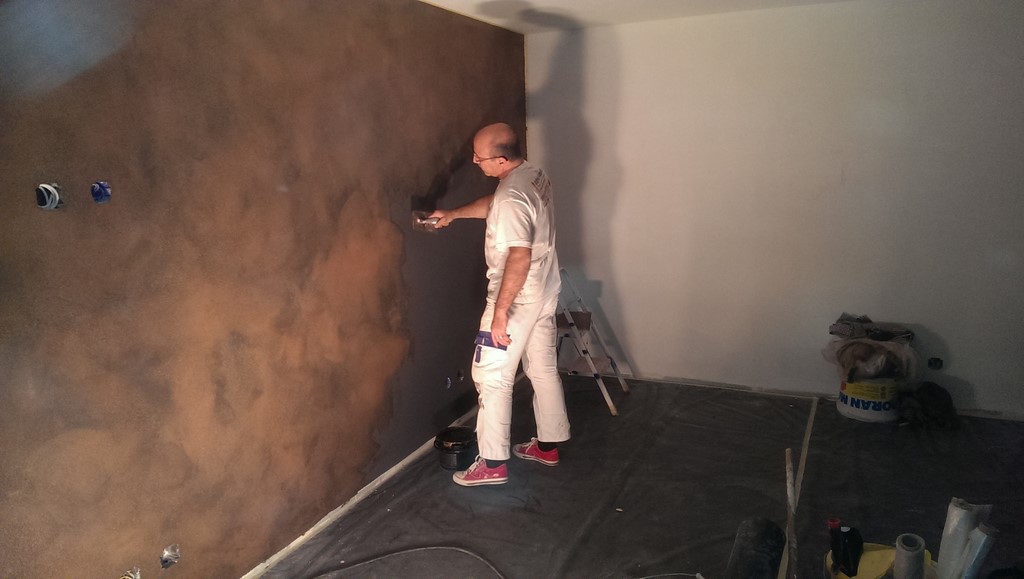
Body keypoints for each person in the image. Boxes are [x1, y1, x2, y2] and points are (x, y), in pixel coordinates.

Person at [430, 122, 570, 487]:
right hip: (544, 288)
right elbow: (495, 205)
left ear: (502, 160)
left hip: (517, 296)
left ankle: (492, 465)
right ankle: (548, 447)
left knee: (492, 377)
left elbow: (519, 256)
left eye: (481, 158)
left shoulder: (511, 196)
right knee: (542, 369)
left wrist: (501, 314)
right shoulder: (532, 174)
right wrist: (454, 214)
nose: (475, 161)